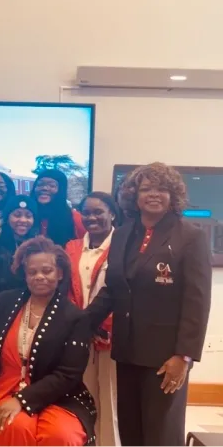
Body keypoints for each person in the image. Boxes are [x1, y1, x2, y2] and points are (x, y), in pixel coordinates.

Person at [86, 162, 212, 446]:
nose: (153, 194)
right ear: (134, 195)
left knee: (161, 434)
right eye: (146, 189)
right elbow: (114, 289)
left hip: (166, 357)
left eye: (162, 189)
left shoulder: (190, 237)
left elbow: (197, 302)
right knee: (131, 431)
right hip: (127, 350)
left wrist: (184, 356)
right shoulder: (122, 234)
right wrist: (80, 322)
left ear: (173, 195)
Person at [0, 236, 95, 446]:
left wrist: (23, 400)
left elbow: (68, 375)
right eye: (32, 272)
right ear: (25, 275)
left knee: (61, 436)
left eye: (47, 271)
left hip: (60, 397)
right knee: (17, 426)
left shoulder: (76, 317)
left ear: (60, 273)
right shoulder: (4, 302)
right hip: (6, 390)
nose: (39, 276)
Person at [65, 192, 121, 446]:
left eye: (98, 212)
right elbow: (66, 289)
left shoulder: (123, 245)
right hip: (79, 334)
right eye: (86, 212)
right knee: (84, 395)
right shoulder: (72, 247)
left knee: (111, 398)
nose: (91, 217)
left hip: (113, 334)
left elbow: (123, 290)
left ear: (112, 214)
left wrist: (100, 324)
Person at [0, 195, 39, 321]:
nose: (23, 220)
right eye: (17, 215)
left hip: (31, 309)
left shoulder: (39, 247)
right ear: (7, 217)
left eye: (28, 216)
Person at [31, 169, 85, 246]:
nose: (44, 188)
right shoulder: (27, 216)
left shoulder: (75, 218)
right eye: (40, 184)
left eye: (52, 186)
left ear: (61, 190)